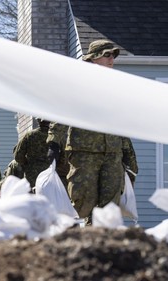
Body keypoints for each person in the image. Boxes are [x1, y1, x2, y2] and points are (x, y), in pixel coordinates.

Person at [47, 40, 130, 225]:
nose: (111, 59)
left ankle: (103, 245)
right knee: (83, 203)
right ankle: (82, 238)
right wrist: (54, 142)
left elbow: (122, 122)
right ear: (93, 58)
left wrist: (127, 153)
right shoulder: (78, 85)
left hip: (112, 154)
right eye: (107, 55)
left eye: (113, 56)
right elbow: (62, 113)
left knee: (110, 208)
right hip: (84, 153)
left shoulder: (117, 87)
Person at [14, 118, 51, 191]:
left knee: (32, 198)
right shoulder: (54, 137)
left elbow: (18, 156)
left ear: (38, 121)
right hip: (49, 174)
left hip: (32, 174)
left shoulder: (29, 135)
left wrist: (26, 164)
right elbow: (63, 158)